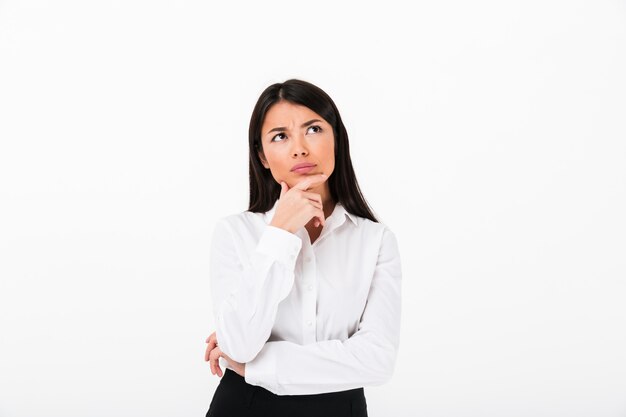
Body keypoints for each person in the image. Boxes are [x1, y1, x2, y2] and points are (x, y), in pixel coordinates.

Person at [203, 78, 402, 417]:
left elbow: (378, 360)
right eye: (280, 136)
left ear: (336, 139)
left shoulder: (375, 240)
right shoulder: (235, 233)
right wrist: (279, 231)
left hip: (341, 409)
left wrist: (254, 366)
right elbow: (241, 343)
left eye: (313, 129)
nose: (299, 148)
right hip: (245, 407)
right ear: (262, 157)